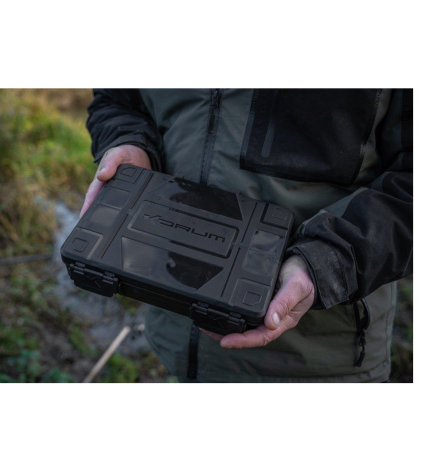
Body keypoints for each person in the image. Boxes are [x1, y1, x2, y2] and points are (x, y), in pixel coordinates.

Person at [81, 89, 413, 383]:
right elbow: (118, 99)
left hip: (321, 363)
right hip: (176, 332)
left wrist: (326, 263)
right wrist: (129, 142)